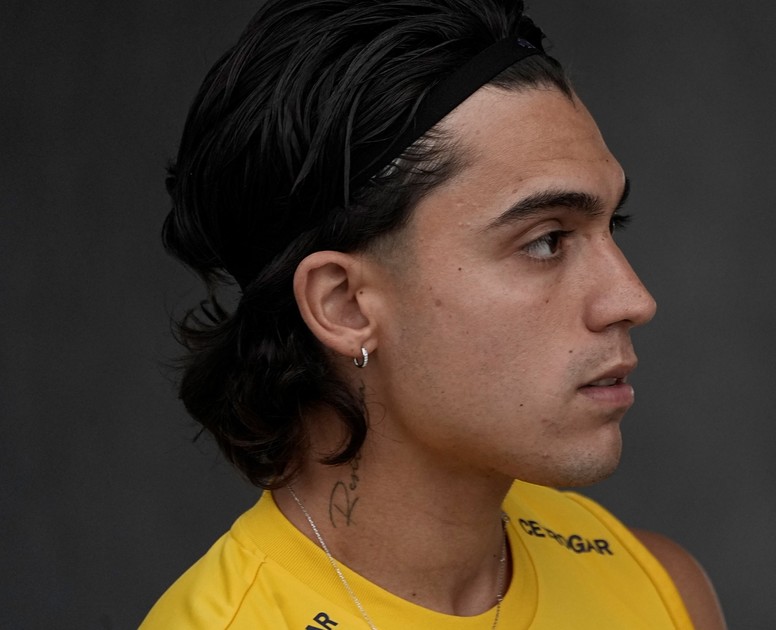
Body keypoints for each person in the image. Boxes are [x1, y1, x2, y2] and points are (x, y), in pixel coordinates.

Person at [142, 0, 725, 628]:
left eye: (613, 226)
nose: (633, 299)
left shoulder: (662, 592)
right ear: (344, 304)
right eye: (546, 240)